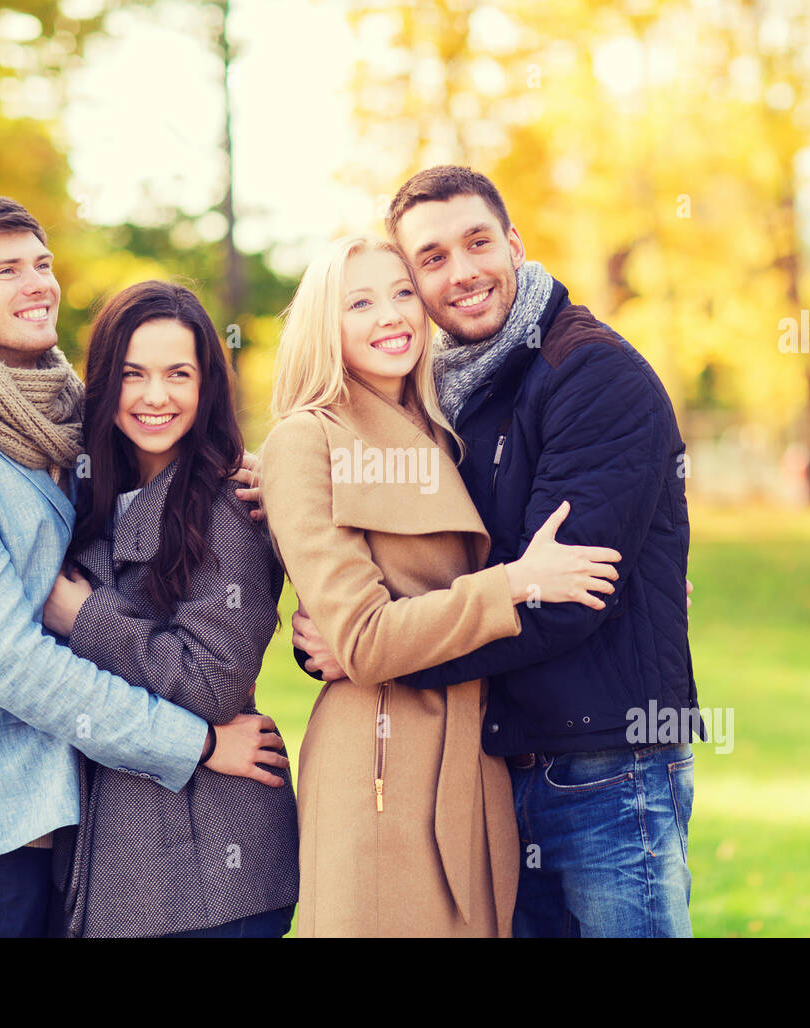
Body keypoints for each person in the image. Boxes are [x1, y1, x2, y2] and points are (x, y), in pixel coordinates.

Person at [289, 167, 701, 938]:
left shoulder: (592, 373)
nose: (462, 273)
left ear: (513, 244)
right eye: (431, 260)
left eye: (478, 243)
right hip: (503, 764)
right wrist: (330, 621)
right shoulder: (453, 394)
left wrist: (374, 650)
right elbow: (420, 564)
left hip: (608, 765)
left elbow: (562, 597)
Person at [0, 195, 280, 938]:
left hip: (73, 834)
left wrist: (255, 472)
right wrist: (200, 743)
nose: (39, 283)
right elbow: (12, 662)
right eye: (7, 270)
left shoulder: (49, 425)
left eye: (43, 263)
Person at [260, 234, 620, 937]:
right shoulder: (306, 440)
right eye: (359, 302)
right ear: (323, 325)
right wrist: (513, 585)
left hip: (474, 762)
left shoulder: (446, 430)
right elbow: (362, 640)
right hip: (380, 772)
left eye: (401, 294)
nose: (391, 315)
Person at [39, 280, 298, 937]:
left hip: (208, 873)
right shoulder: (83, 495)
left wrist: (88, 617)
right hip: (122, 861)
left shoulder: (225, 505)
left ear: (206, 385)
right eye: (133, 374)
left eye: (178, 374)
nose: (156, 396)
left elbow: (213, 684)